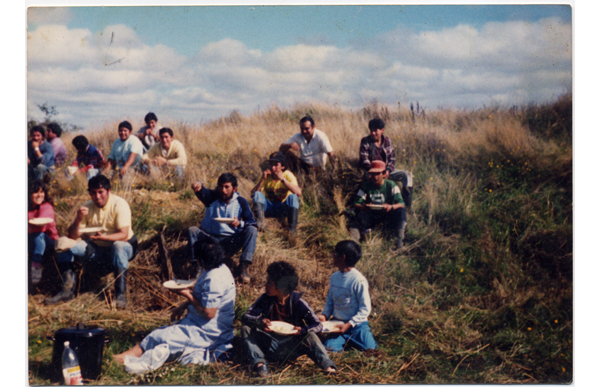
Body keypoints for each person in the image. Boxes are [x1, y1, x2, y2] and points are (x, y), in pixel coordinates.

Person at [114, 241, 236, 366]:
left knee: (159, 337)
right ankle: (129, 356)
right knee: (163, 334)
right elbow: (204, 297)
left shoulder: (215, 278)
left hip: (208, 331)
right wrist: (183, 306)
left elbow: (209, 312)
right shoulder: (218, 268)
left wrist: (186, 294)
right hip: (201, 324)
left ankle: (120, 359)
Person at [44, 175, 138, 308]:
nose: (97, 196)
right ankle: (67, 291)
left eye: (101, 192)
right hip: (98, 248)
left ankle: (120, 295)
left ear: (108, 191)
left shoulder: (119, 204)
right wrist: (78, 219)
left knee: (119, 246)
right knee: (65, 245)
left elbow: (123, 235)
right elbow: (73, 235)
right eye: (93, 193)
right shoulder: (87, 207)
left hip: (123, 247)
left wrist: (103, 237)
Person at [241, 261, 336, 377]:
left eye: (269, 283)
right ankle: (261, 365)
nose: (265, 285)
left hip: (291, 347)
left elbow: (318, 325)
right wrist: (260, 322)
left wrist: (302, 330)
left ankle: (328, 366)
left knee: (310, 335)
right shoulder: (265, 299)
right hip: (270, 343)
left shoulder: (298, 302)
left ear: (281, 286)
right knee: (246, 328)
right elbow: (246, 316)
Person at [188, 173, 258, 284]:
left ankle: (243, 267)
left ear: (234, 188)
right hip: (210, 241)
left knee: (252, 230)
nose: (223, 190)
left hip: (229, 242)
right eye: (221, 186)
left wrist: (239, 223)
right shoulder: (213, 197)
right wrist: (198, 185)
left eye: (227, 187)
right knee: (192, 230)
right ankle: (197, 267)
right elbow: (203, 192)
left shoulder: (241, 202)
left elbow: (252, 223)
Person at [319, 240, 377, 352]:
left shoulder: (358, 280)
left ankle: (353, 339)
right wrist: (325, 315)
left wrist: (350, 323)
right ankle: (344, 340)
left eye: (335, 253)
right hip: (337, 324)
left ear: (342, 257)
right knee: (329, 348)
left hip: (357, 325)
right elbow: (330, 300)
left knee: (370, 349)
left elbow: (365, 309)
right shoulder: (334, 277)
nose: (332, 256)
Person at [348, 160, 407, 249]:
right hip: (371, 215)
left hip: (386, 215)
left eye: (377, 174)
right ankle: (355, 240)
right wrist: (364, 207)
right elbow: (356, 203)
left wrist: (390, 207)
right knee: (352, 212)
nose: (374, 177)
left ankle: (399, 242)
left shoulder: (391, 185)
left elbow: (401, 204)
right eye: (372, 174)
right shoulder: (366, 186)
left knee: (400, 211)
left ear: (383, 174)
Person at [359, 118, 413, 209]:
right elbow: (364, 160)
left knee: (407, 176)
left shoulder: (387, 141)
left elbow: (392, 158)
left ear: (382, 130)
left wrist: (388, 170)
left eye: (375, 130)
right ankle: (373, 204)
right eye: (371, 130)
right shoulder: (365, 141)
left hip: (386, 171)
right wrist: (375, 172)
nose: (373, 133)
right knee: (370, 180)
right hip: (372, 171)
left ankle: (406, 206)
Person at [250, 152, 302, 235]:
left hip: (283, 208)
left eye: (276, 165)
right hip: (269, 207)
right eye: (271, 164)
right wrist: (262, 179)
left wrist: (283, 180)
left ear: (282, 166)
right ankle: (260, 223)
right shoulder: (266, 176)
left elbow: (298, 193)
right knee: (257, 194)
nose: (272, 168)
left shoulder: (288, 175)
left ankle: (292, 229)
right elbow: (252, 195)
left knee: (293, 197)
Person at [28, 180, 59, 285]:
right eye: (35, 192)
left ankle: (36, 266)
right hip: (32, 239)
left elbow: (41, 226)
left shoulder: (46, 206)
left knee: (38, 235)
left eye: (41, 192)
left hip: (50, 241)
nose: (39, 195)